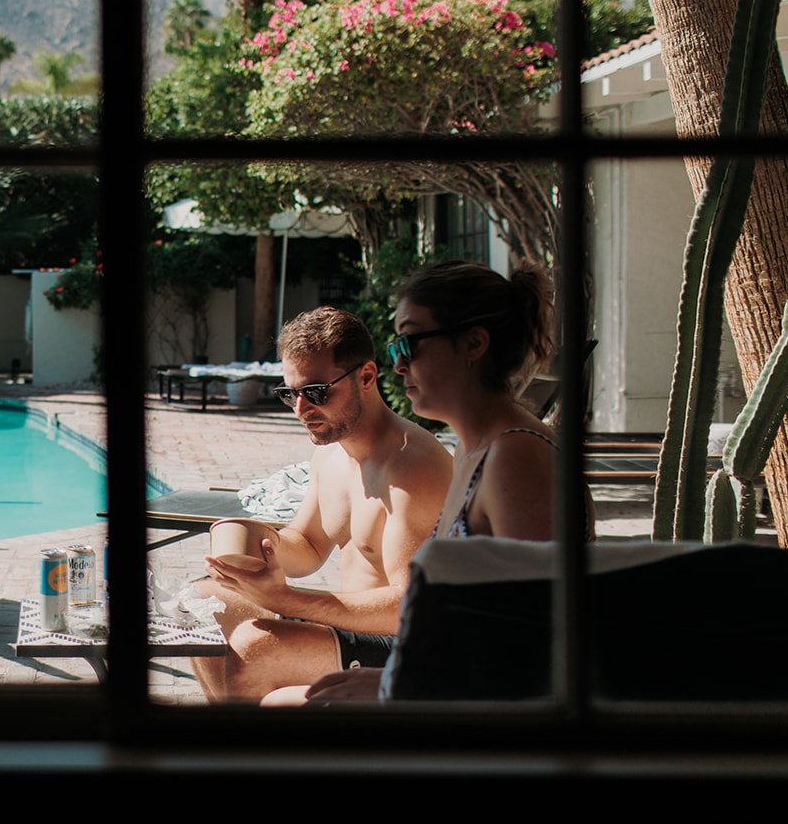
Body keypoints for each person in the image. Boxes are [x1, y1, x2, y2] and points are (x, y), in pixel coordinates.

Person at [287, 259, 570, 706]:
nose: (397, 366)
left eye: (409, 344)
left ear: (473, 344)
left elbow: (534, 640)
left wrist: (397, 686)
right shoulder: (476, 448)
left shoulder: (517, 456)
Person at [191, 306, 453, 703]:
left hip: (404, 647)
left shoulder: (412, 468)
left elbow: (408, 606)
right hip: (352, 628)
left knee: (256, 645)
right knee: (205, 602)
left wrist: (287, 600)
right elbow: (309, 545)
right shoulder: (331, 455)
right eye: (289, 394)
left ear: (366, 376)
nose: (301, 410)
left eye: (315, 393)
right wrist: (261, 547)